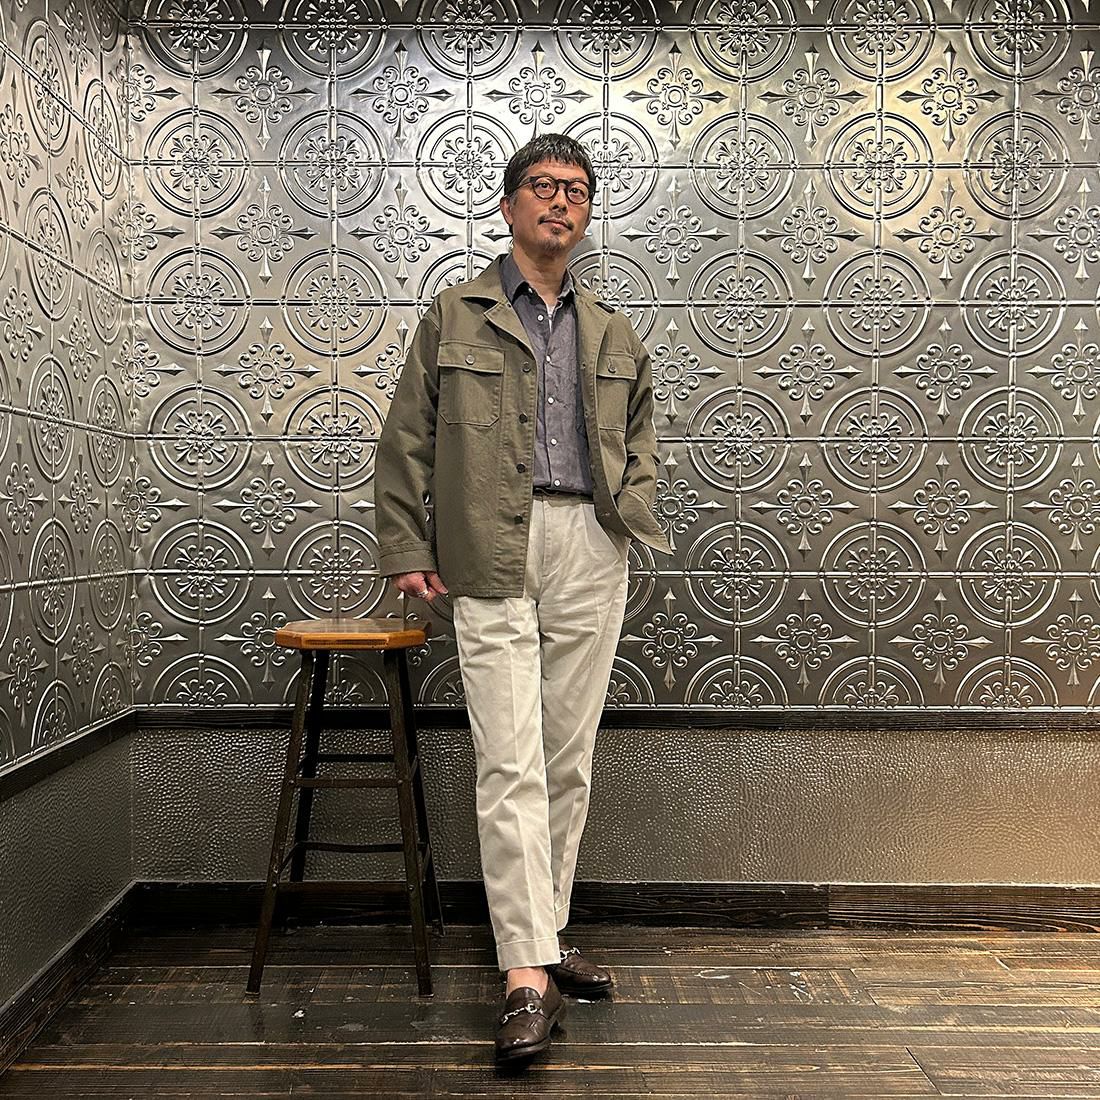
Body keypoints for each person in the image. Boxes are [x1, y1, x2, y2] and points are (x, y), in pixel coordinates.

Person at [375, 133, 670, 1063]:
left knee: (566, 760)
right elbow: (406, 439)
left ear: (587, 212)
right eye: (542, 186)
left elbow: (641, 439)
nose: (560, 201)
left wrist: (628, 514)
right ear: (508, 206)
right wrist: (407, 544)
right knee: (509, 760)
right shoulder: (454, 315)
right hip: (488, 543)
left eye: (576, 190)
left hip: (590, 543)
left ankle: (543, 932)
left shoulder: (612, 331)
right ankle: (525, 976)